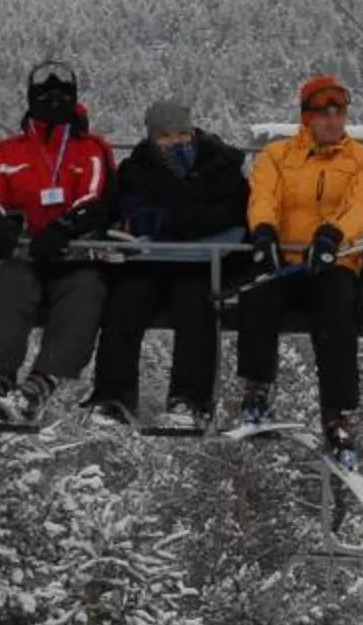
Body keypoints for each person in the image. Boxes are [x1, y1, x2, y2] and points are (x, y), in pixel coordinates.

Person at [235, 72, 363, 468]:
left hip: (332, 262)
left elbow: (362, 205)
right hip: (286, 258)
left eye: (340, 113)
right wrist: (264, 232)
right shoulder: (278, 156)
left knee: (336, 314)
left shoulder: (362, 160)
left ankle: (337, 412)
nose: (333, 121)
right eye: (324, 114)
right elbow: (264, 195)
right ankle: (257, 385)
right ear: (307, 118)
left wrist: (334, 235)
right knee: (259, 296)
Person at [90, 97, 252, 427]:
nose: (176, 142)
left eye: (182, 133)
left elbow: (235, 211)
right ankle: (112, 397)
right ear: (152, 138)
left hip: (199, 261)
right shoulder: (136, 169)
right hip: (151, 261)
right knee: (125, 303)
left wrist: (169, 222)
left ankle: (190, 401)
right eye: (166, 136)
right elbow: (124, 213)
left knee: (196, 305)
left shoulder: (219, 164)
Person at [0, 62, 115, 417]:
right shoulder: (11, 151)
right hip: (25, 250)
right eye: (45, 95)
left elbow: (97, 197)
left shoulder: (90, 149)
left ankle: (40, 383)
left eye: (62, 95)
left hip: (74, 253)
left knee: (84, 295)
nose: (54, 102)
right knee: (8, 287)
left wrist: (65, 227)